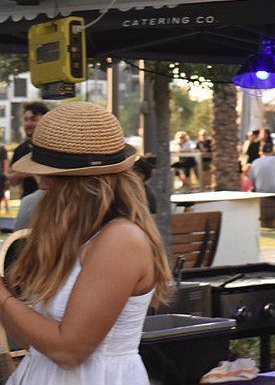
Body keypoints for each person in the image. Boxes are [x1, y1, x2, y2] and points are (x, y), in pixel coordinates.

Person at [1, 101, 172, 384]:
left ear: (83, 181)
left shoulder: (121, 239)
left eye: (50, 173)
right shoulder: (76, 237)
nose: (42, 183)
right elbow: (36, 343)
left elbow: (69, 351)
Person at [8, 101, 49, 200]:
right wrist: (26, 173)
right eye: (26, 119)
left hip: (52, 203)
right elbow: (12, 181)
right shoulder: (21, 149)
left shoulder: (54, 147)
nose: (28, 123)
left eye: (33, 119)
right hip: (28, 201)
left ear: (46, 120)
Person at [249, 142, 275, 215]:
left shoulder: (255, 162)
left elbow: (252, 181)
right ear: (272, 151)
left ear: (261, 152)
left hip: (260, 191)